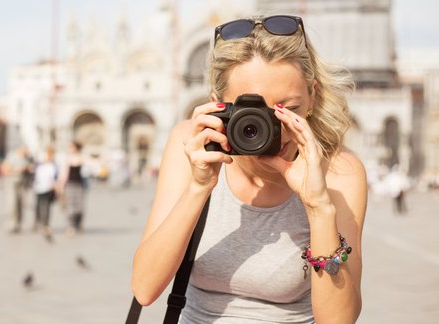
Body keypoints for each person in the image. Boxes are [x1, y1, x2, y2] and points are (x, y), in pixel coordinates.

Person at [131, 15, 367, 323]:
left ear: (312, 95)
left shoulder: (339, 172)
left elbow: (339, 320)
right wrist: (199, 187)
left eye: (288, 109)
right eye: (251, 113)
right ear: (217, 104)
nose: (272, 128)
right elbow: (144, 289)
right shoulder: (190, 145)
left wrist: (318, 206)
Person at [0, 145, 33, 233]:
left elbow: (31, 168)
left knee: (21, 203)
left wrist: (29, 169)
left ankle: (18, 223)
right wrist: (18, 170)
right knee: (12, 203)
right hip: (12, 182)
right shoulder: (12, 156)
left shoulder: (28, 158)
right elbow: (4, 169)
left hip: (23, 183)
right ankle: (11, 224)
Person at [58, 141, 88, 236]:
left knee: (79, 207)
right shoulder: (68, 159)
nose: (70, 149)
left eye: (72, 147)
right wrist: (61, 186)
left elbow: (90, 164)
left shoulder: (81, 157)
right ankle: (71, 226)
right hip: (70, 185)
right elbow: (64, 173)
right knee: (70, 206)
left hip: (79, 185)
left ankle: (78, 224)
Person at [32, 146, 59, 240]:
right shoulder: (40, 163)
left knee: (46, 206)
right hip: (39, 187)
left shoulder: (54, 165)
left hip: (48, 188)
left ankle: (45, 224)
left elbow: (56, 176)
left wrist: (56, 186)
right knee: (38, 206)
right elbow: (35, 173)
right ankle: (39, 222)